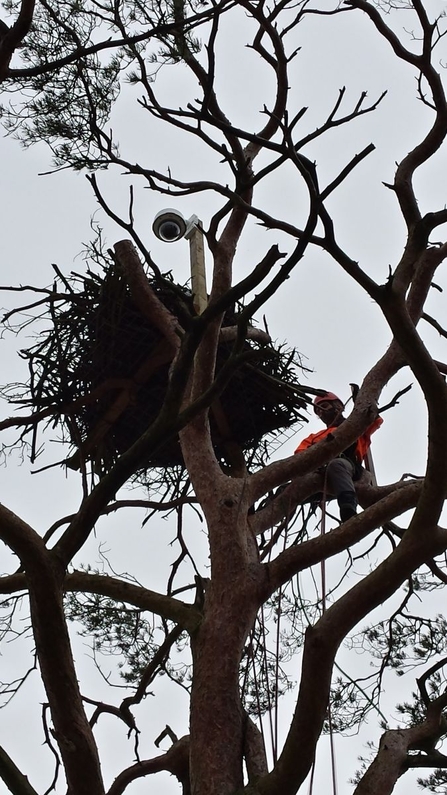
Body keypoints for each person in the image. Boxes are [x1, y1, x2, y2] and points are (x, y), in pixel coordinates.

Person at [294, 391, 383, 522]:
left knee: (337, 464)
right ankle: (255, 513)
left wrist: (363, 400)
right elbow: (299, 456)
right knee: (285, 490)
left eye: (324, 406)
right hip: (319, 473)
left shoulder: (356, 425)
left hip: (349, 467)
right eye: (318, 411)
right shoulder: (315, 437)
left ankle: (348, 508)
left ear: (338, 407)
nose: (322, 412)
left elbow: (374, 418)